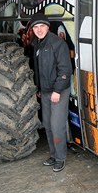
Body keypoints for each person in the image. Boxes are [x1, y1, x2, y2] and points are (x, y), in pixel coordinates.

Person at [30, 12, 72, 172]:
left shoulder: (57, 43)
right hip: (45, 91)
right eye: (36, 27)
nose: (39, 29)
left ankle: (60, 158)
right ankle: (53, 155)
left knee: (57, 125)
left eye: (42, 26)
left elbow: (65, 70)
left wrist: (57, 90)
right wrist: (39, 89)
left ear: (47, 27)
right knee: (47, 124)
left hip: (58, 91)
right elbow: (38, 69)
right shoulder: (37, 44)